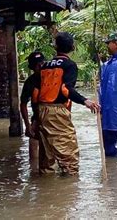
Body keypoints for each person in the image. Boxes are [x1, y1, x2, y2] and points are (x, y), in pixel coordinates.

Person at [34, 32, 100, 175]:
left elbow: (36, 93)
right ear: (72, 47)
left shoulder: (45, 65)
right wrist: (85, 101)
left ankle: (47, 189)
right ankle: (70, 191)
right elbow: (65, 90)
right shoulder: (69, 65)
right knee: (69, 153)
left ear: (55, 47)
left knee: (47, 154)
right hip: (56, 111)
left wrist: (35, 118)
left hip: (41, 110)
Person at [20, 51, 45, 165]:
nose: (40, 66)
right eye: (37, 65)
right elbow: (23, 104)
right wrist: (27, 125)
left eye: (42, 64)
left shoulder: (53, 77)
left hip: (52, 118)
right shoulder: (30, 82)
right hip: (37, 119)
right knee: (33, 156)